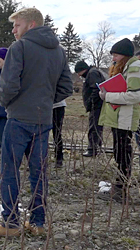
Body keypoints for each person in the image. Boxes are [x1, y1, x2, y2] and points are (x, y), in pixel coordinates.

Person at [0, 8, 73, 237]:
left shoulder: (20, 47)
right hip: (44, 120)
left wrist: (7, 103)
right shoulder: (59, 51)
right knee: (39, 173)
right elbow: (66, 87)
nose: (14, 30)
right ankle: (38, 223)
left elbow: (8, 85)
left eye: (17, 25)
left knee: (10, 170)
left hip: (19, 119)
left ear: (31, 25)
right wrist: (43, 101)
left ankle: (11, 224)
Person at [98, 38, 140, 203]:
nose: (113, 58)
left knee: (123, 154)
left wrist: (107, 96)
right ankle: (118, 185)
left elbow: (135, 95)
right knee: (119, 153)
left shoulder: (135, 67)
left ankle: (121, 190)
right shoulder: (125, 67)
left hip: (126, 118)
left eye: (116, 54)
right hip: (119, 117)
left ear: (124, 55)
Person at [75, 61, 106, 157]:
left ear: (81, 70)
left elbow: (96, 89)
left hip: (96, 106)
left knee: (94, 127)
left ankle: (92, 149)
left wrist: (90, 102)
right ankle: (97, 148)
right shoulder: (93, 72)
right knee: (97, 126)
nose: (78, 75)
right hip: (97, 105)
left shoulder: (92, 74)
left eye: (78, 73)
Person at [52, 101, 66, 167]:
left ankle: (59, 157)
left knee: (57, 132)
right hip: (42, 106)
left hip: (57, 105)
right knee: (40, 133)